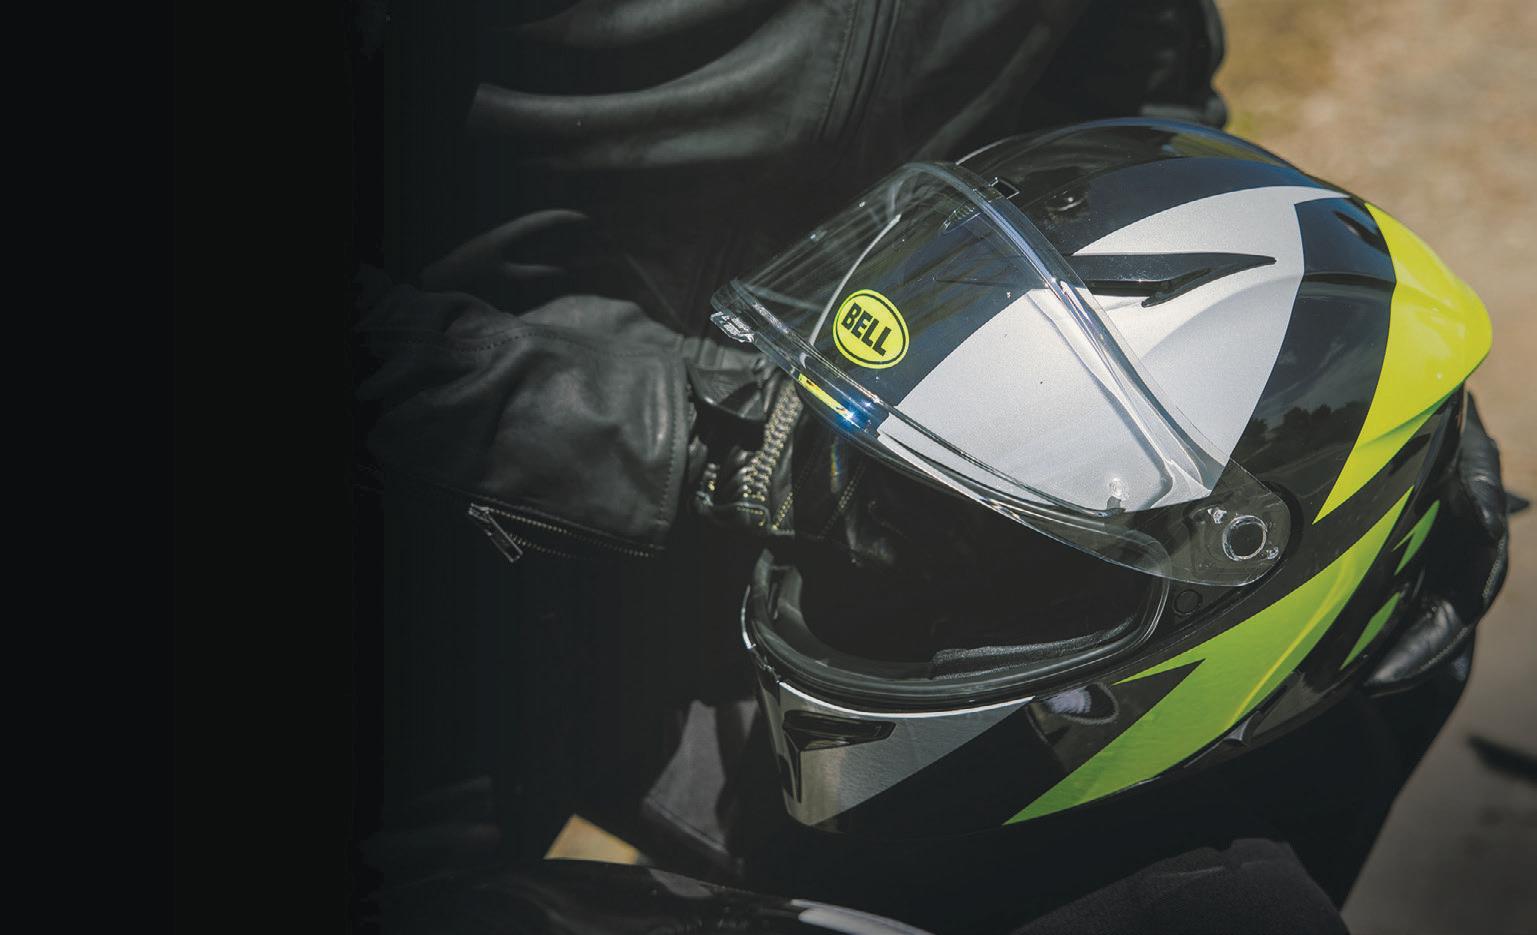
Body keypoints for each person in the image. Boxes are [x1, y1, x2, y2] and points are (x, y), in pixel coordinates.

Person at [347, 2, 1510, 932]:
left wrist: (1289, 383)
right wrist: (697, 432)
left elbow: (1132, 104)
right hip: (455, 518)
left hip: (910, 502)